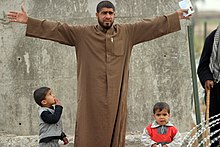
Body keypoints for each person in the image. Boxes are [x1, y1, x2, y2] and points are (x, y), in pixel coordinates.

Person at [7, 1, 191, 146]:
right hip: (90, 98)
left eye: (111, 13)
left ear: (114, 15)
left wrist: (176, 16)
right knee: (89, 130)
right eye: (104, 13)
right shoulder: (83, 34)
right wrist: (29, 21)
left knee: (115, 130)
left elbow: (152, 25)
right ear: (97, 15)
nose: (107, 16)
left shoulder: (127, 33)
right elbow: (58, 28)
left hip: (116, 97)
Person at [197, 25, 220, 147]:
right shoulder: (212, 38)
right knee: (215, 132)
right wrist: (207, 78)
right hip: (216, 91)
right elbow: (203, 66)